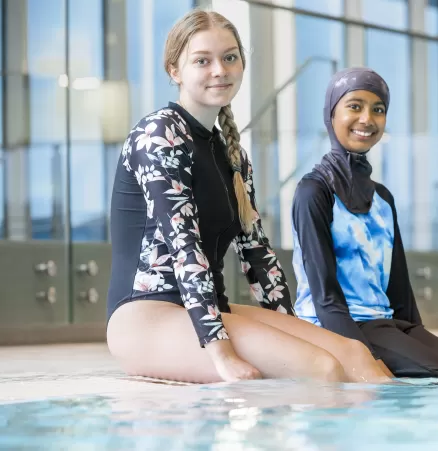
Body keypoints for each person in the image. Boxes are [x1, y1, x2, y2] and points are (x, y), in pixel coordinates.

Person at [105, 10, 392, 385]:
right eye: (202, 61)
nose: (219, 70)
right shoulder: (159, 134)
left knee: (355, 354)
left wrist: (291, 328)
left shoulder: (233, 155)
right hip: (146, 316)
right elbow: (185, 247)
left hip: (210, 308)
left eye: (229, 57)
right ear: (175, 71)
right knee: (321, 368)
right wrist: (219, 351)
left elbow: (257, 255)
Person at [291, 67, 438, 379]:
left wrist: (420, 339)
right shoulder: (313, 191)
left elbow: (401, 298)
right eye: (354, 106)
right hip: (338, 329)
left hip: (385, 324)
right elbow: (325, 299)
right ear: (331, 113)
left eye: (378, 109)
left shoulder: (382, 198)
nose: (367, 119)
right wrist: (363, 359)